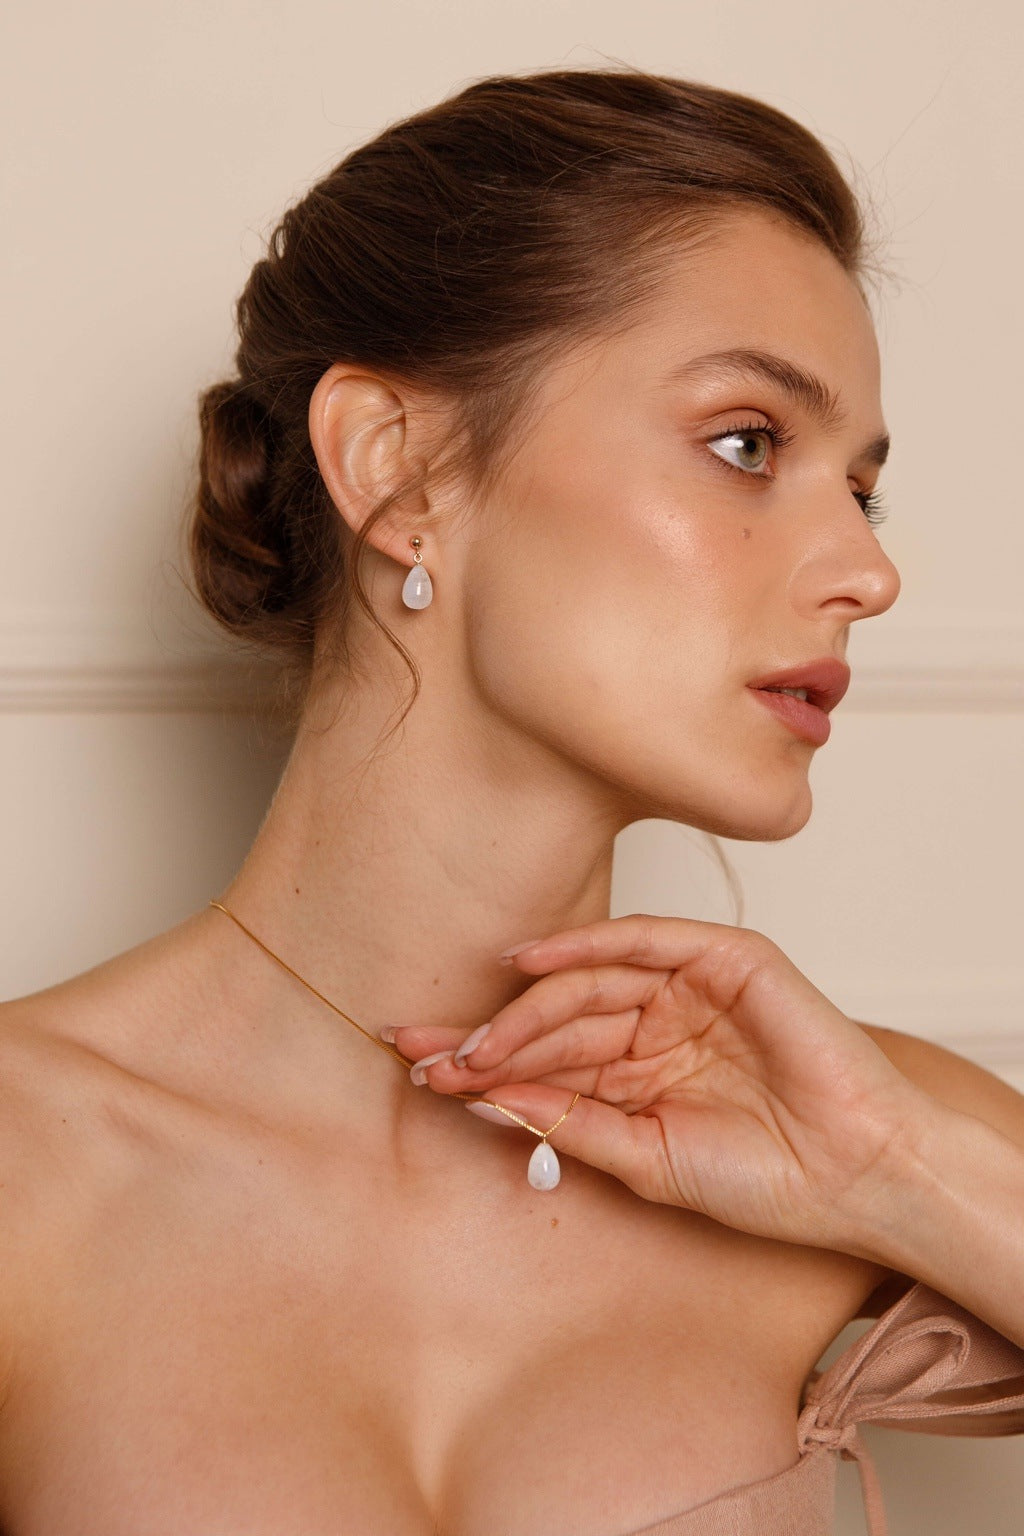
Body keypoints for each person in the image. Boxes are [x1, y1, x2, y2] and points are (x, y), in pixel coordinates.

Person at [1, 65, 1022, 1536]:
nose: (869, 571)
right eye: (749, 444)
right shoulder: (29, 1166)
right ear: (399, 468)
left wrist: (897, 1174)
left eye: (858, 488)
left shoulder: (868, 1141)